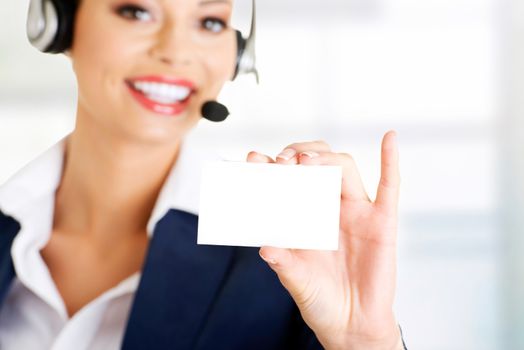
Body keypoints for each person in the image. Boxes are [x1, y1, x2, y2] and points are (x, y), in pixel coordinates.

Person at [0, 0, 406, 349]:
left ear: (238, 54)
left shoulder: (287, 266)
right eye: (137, 11)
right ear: (59, 23)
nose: (176, 52)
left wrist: (366, 342)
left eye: (209, 22)